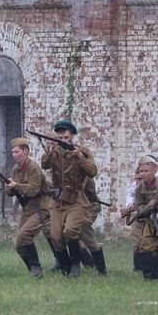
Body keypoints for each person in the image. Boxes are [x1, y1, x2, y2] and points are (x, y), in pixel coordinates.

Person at [40, 119, 98, 277]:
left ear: (72, 135)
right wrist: (50, 150)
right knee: (56, 236)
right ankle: (64, 266)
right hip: (59, 198)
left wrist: (80, 156)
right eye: (60, 137)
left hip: (77, 198)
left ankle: (75, 265)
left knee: (71, 230)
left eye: (66, 137)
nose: (63, 140)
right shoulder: (55, 151)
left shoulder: (82, 150)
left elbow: (93, 171)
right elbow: (44, 165)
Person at [5, 137, 52, 277]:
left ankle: (36, 268)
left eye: (17, 152)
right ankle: (33, 269)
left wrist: (16, 185)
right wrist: (9, 187)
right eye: (13, 152)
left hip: (41, 207)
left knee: (24, 234)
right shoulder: (16, 169)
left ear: (25, 151)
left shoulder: (33, 168)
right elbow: (10, 192)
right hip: (28, 209)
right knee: (18, 245)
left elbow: (33, 190)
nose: (14, 155)